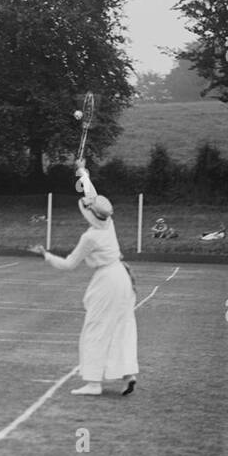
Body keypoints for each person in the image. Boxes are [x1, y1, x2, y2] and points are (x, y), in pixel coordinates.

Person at [29, 163, 138, 396]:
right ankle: (128, 374)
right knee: (122, 326)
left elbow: (69, 264)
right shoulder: (108, 223)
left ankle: (93, 383)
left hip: (108, 279)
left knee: (95, 328)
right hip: (122, 277)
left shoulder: (90, 237)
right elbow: (93, 196)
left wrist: (45, 255)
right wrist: (83, 173)